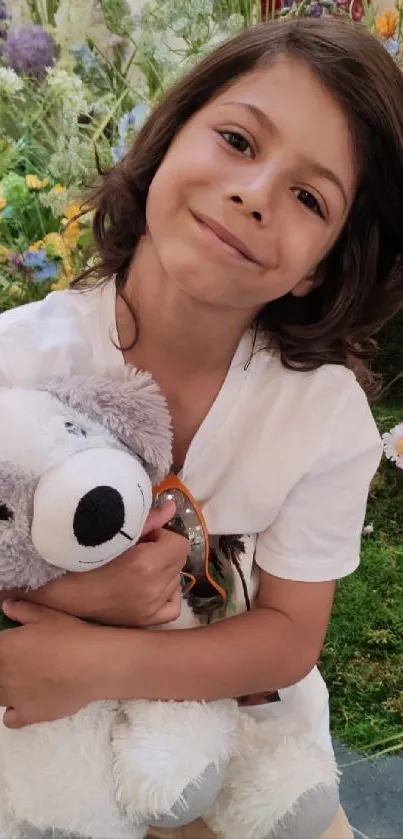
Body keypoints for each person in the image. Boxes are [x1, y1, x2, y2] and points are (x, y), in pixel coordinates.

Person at [0, 14, 403, 839]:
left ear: (321, 263)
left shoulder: (322, 416)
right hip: (44, 761)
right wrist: (81, 598)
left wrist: (101, 655)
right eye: (236, 140)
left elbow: (288, 636)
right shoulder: (17, 363)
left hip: (250, 764)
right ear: (166, 134)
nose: (253, 196)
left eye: (307, 196)